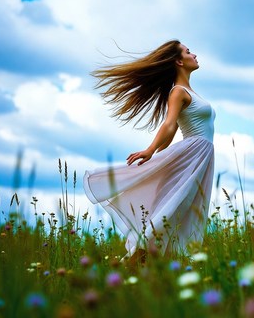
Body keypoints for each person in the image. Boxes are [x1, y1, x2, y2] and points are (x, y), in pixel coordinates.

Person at [83, 40, 215, 262]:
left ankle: (159, 266)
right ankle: (133, 264)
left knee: (184, 212)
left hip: (200, 157)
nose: (194, 54)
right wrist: (151, 150)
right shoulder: (178, 92)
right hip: (194, 154)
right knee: (170, 210)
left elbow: (171, 133)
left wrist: (160, 157)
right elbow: (169, 125)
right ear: (179, 61)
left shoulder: (190, 92)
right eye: (188, 51)